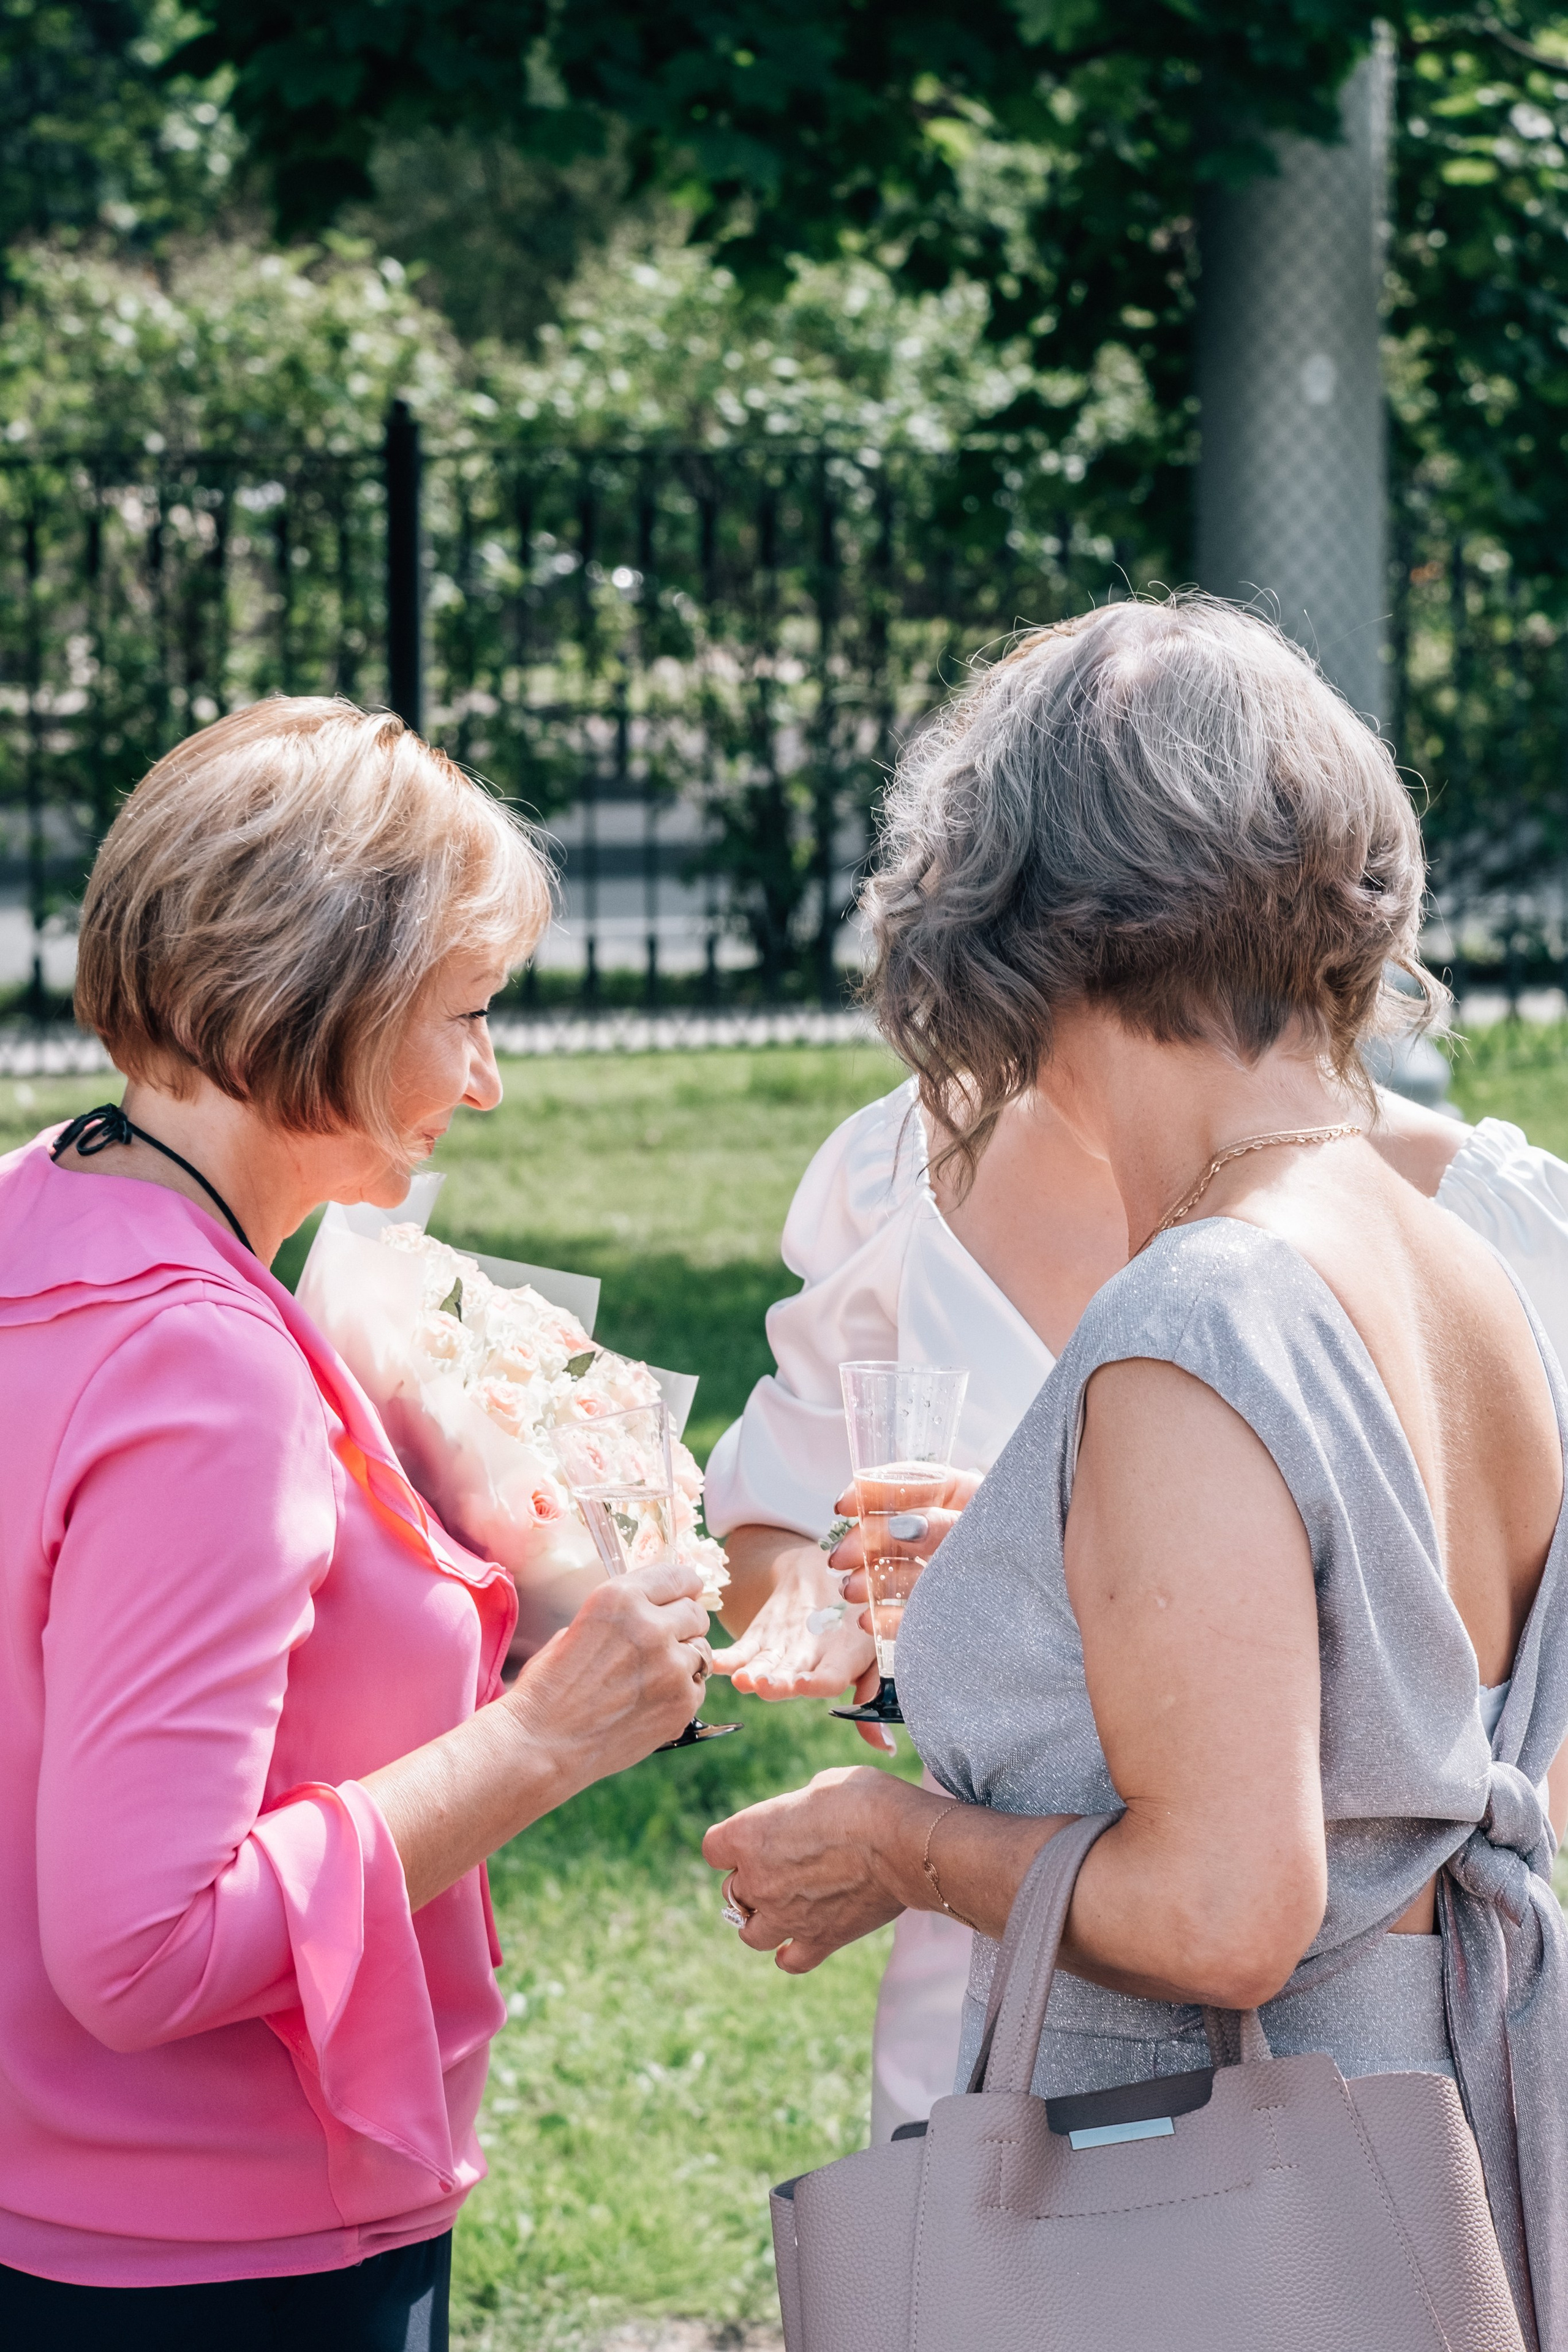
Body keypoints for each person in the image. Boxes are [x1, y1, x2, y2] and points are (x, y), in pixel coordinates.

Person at [704, 598, 1568, 2344]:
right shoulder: (1445, 1256)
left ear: (1005, 928)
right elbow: (1380, 1715)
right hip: (1448, 2140)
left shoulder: (1196, 1307)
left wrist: (898, 1839)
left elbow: (1230, 1910)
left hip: (1225, 2218)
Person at [0, 700, 713, 2347]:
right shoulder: (203, 1371)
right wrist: (548, 1739)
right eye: (466, 1015)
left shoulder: (51, 1217)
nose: (490, 1076)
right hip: (202, 2253)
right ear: (321, 999)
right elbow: (145, 1949)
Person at [706, 1063, 1568, 2141]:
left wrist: (900, 1842)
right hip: (1000, 1998)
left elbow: (1233, 1909)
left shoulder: (1258, 1282)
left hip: (1341, 2077)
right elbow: (778, 1517)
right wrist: (1027, 1568)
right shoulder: (903, 1172)